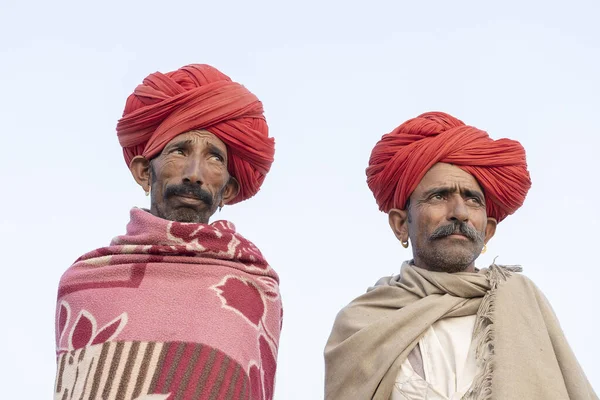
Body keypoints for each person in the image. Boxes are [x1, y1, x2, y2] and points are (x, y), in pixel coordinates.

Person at [324, 112, 597, 400]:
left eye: (472, 199)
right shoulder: (362, 326)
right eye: (439, 196)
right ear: (401, 224)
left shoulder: (521, 301)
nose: (460, 213)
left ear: (488, 230)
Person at [54, 64, 282, 400]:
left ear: (228, 191)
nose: (194, 174)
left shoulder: (254, 288)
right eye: (179, 152)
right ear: (144, 172)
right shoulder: (84, 283)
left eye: (214, 158)